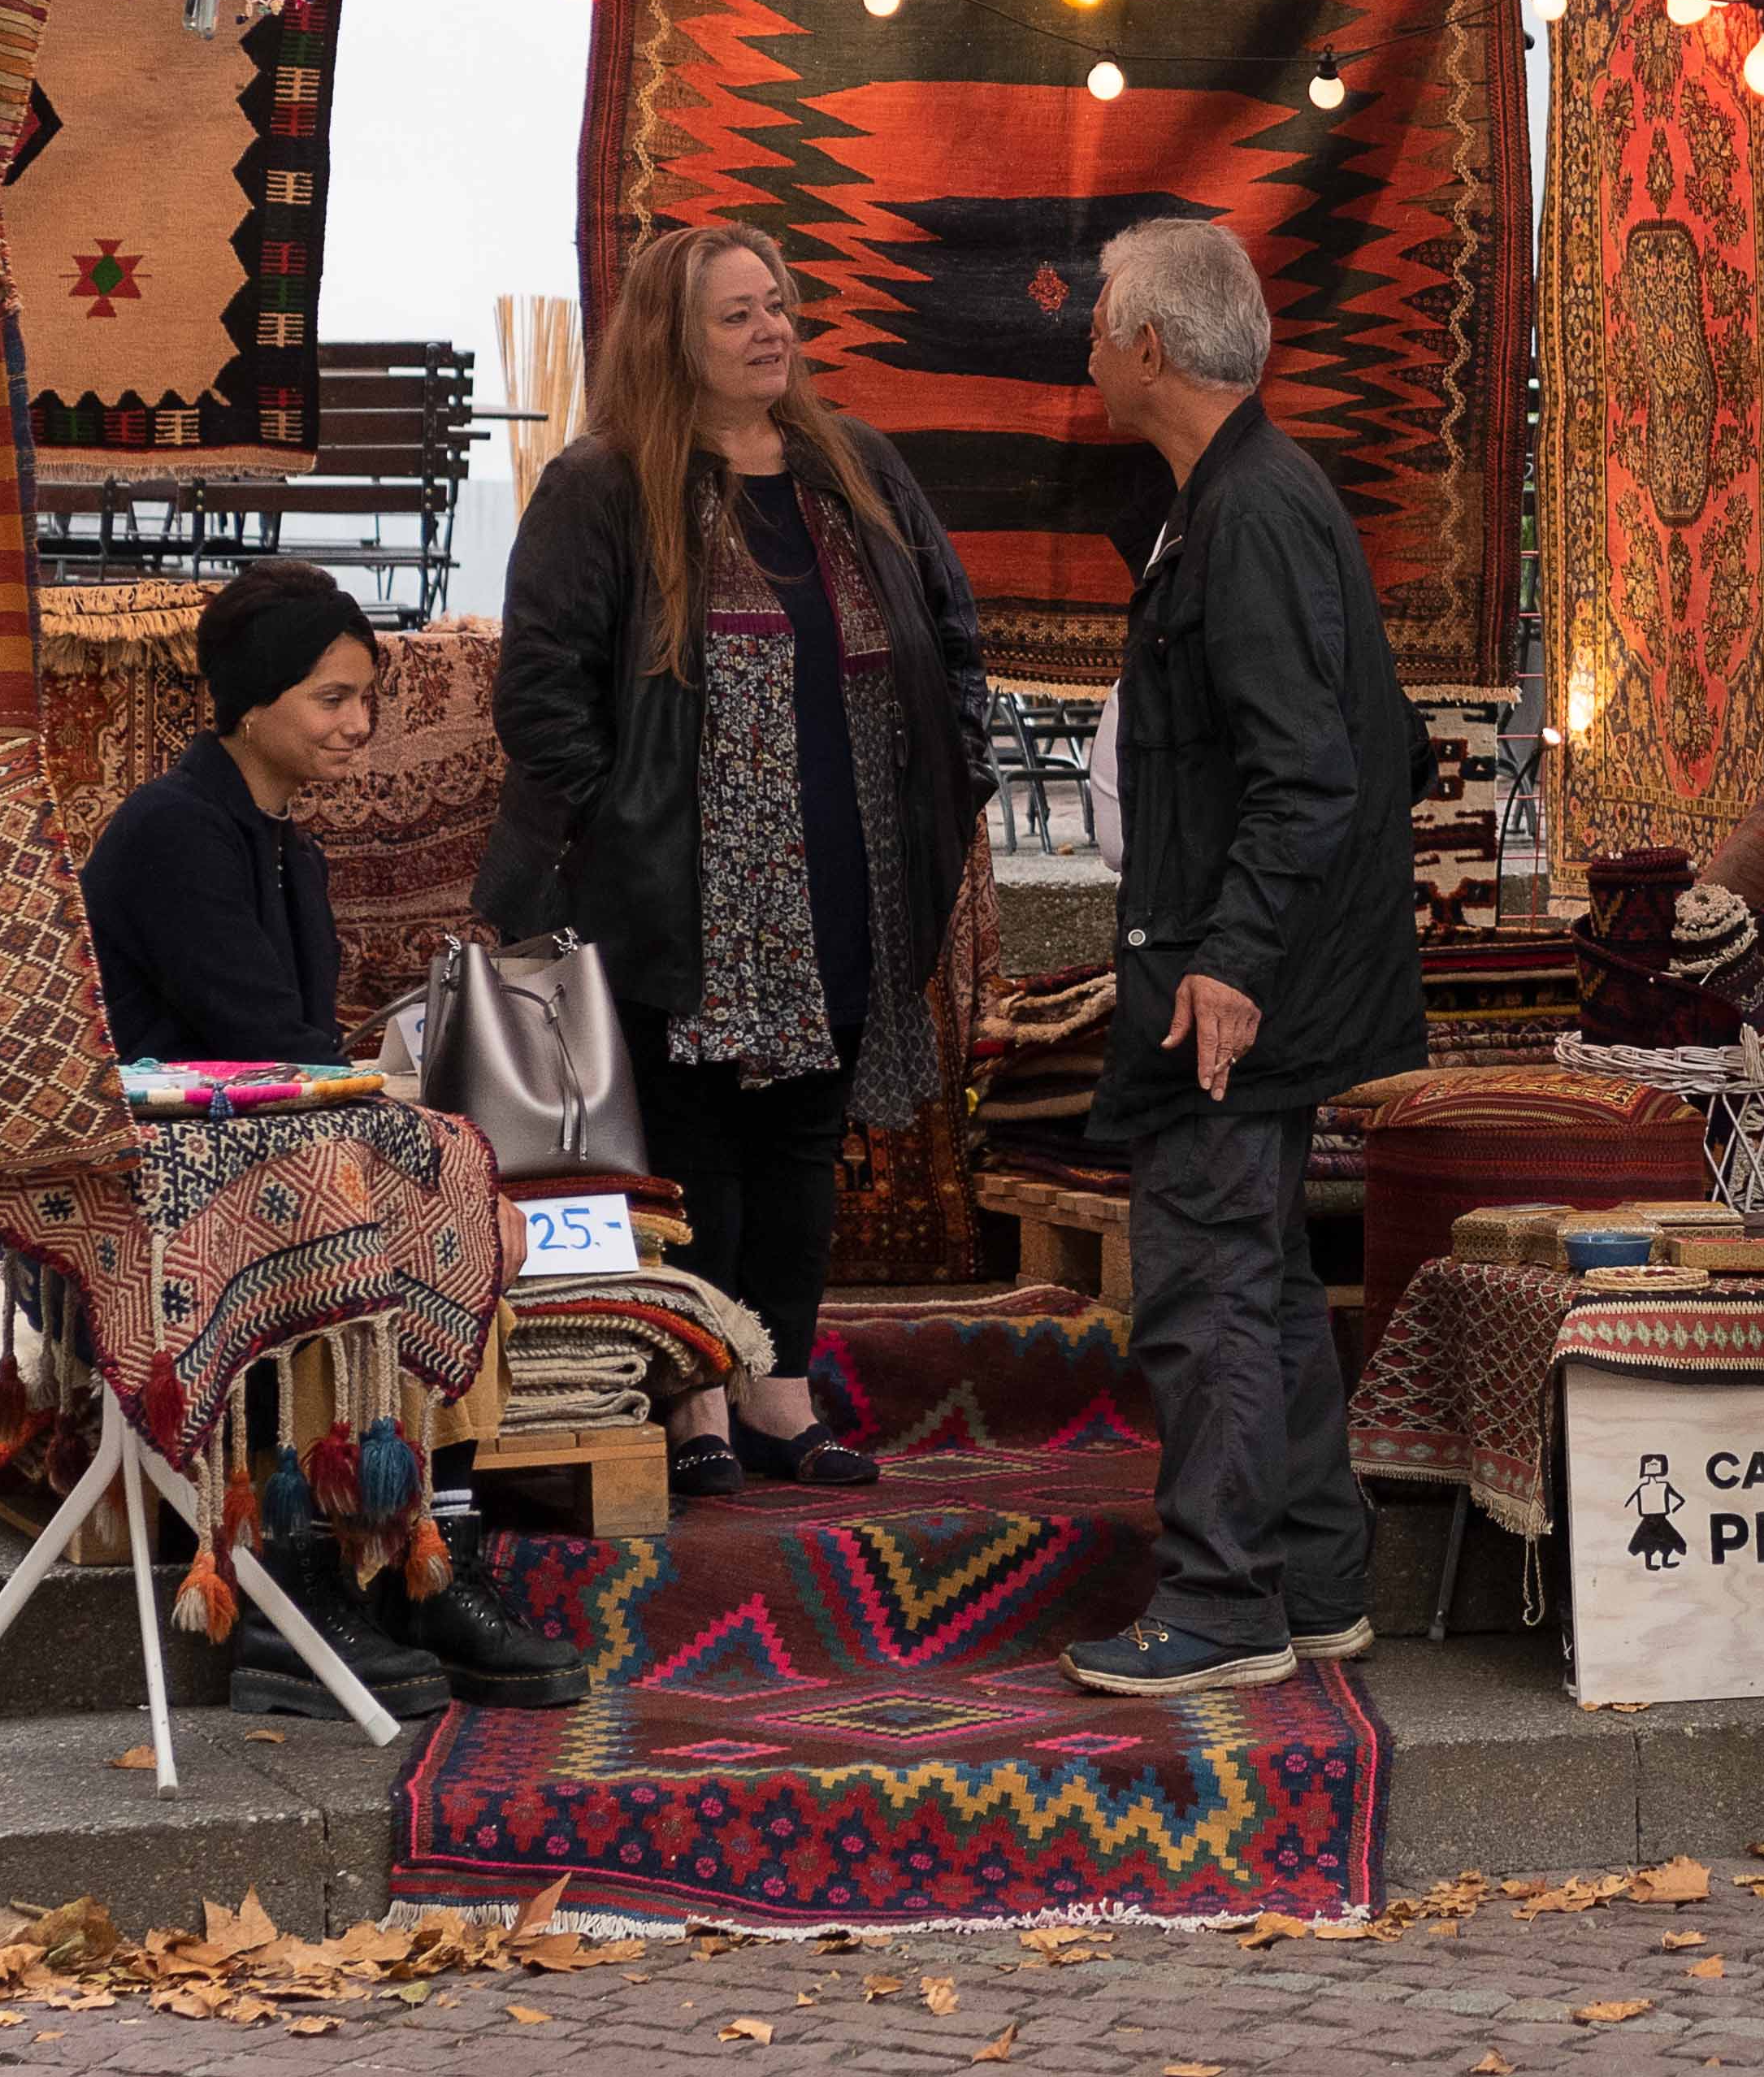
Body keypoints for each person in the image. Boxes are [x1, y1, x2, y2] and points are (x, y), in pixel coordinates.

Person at [484, 224, 993, 1496]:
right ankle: (695, 1400)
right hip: (676, 888)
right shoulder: (604, 486)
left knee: (803, 1140)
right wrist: (627, 830)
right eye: (738, 315)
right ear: (673, 338)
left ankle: (781, 1396)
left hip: (849, 865)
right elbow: (541, 693)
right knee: (694, 1145)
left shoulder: (852, 466)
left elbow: (952, 638)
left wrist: (958, 780)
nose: (774, 331)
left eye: (778, 306)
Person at [80, 558, 585, 1717]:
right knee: (353, 1202)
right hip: (160, 1162)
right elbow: (263, 1042)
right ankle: (289, 1576)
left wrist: (429, 1154)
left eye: (368, 698)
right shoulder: (172, 831)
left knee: (448, 1188)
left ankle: (426, 1557)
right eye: (332, 698)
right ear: (251, 701)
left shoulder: (286, 847)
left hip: (260, 1137)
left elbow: (297, 1058)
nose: (359, 723)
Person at [1060, 218, 1418, 1697]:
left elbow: (1307, 771)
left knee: (1204, 1284)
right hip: (1249, 961)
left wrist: (1232, 962)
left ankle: (1221, 1604)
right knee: (1257, 1282)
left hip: (1230, 976)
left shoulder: (1250, 511)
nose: (1087, 350)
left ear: (1148, 346)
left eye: (1100, 324)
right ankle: (1314, 1581)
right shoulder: (1246, 494)